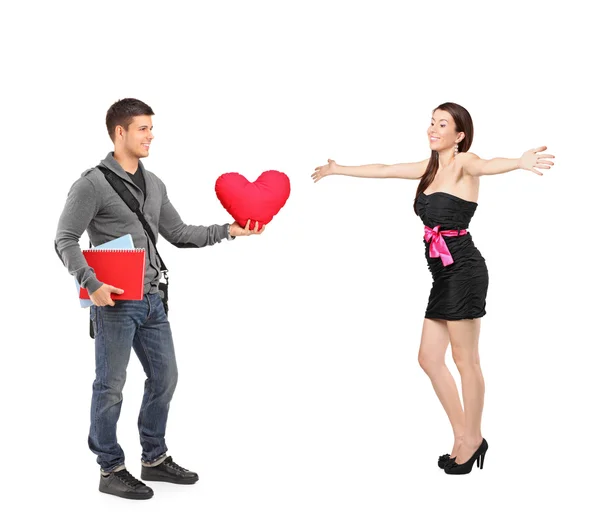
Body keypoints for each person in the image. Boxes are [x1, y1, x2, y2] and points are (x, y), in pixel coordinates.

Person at [311, 102, 554, 475]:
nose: (433, 128)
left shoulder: (463, 163)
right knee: (428, 358)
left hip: (464, 271)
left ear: (459, 135)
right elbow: (386, 170)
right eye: (431, 122)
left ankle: (471, 439)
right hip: (442, 275)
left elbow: (489, 164)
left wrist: (518, 162)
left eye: (443, 124)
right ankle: (464, 434)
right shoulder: (430, 169)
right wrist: (337, 169)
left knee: (465, 361)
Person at [55, 98, 264, 499]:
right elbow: (64, 238)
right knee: (110, 386)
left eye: (151, 128)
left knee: (165, 378)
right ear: (120, 132)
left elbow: (180, 233)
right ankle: (110, 467)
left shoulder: (155, 184)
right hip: (113, 302)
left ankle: (153, 459)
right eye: (143, 129)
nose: (151, 135)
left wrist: (229, 231)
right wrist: (91, 282)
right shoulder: (92, 183)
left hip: (153, 300)